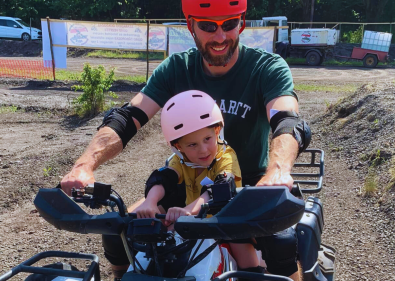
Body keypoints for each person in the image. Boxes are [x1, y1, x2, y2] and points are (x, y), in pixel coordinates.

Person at [61, 0, 311, 280]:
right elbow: (127, 118)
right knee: (119, 230)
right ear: (191, 26)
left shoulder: (266, 68)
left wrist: (278, 170)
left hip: (246, 184)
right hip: (187, 181)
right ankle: (119, 276)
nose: (220, 36)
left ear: (241, 23)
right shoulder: (176, 69)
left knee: (281, 243)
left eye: (229, 24)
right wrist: (84, 165)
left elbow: (287, 119)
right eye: (207, 26)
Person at [135, 90, 260, 273]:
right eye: (192, 145)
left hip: (226, 219)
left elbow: (221, 189)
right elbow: (164, 178)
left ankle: (253, 275)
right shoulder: (180, 159)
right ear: (178, 147)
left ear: (217, 130)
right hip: (194, 223)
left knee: (245, 254)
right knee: (151, 245)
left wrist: (187, 210)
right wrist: (150, 201)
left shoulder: (226, 156)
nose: (203, 150)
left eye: (207, 139)